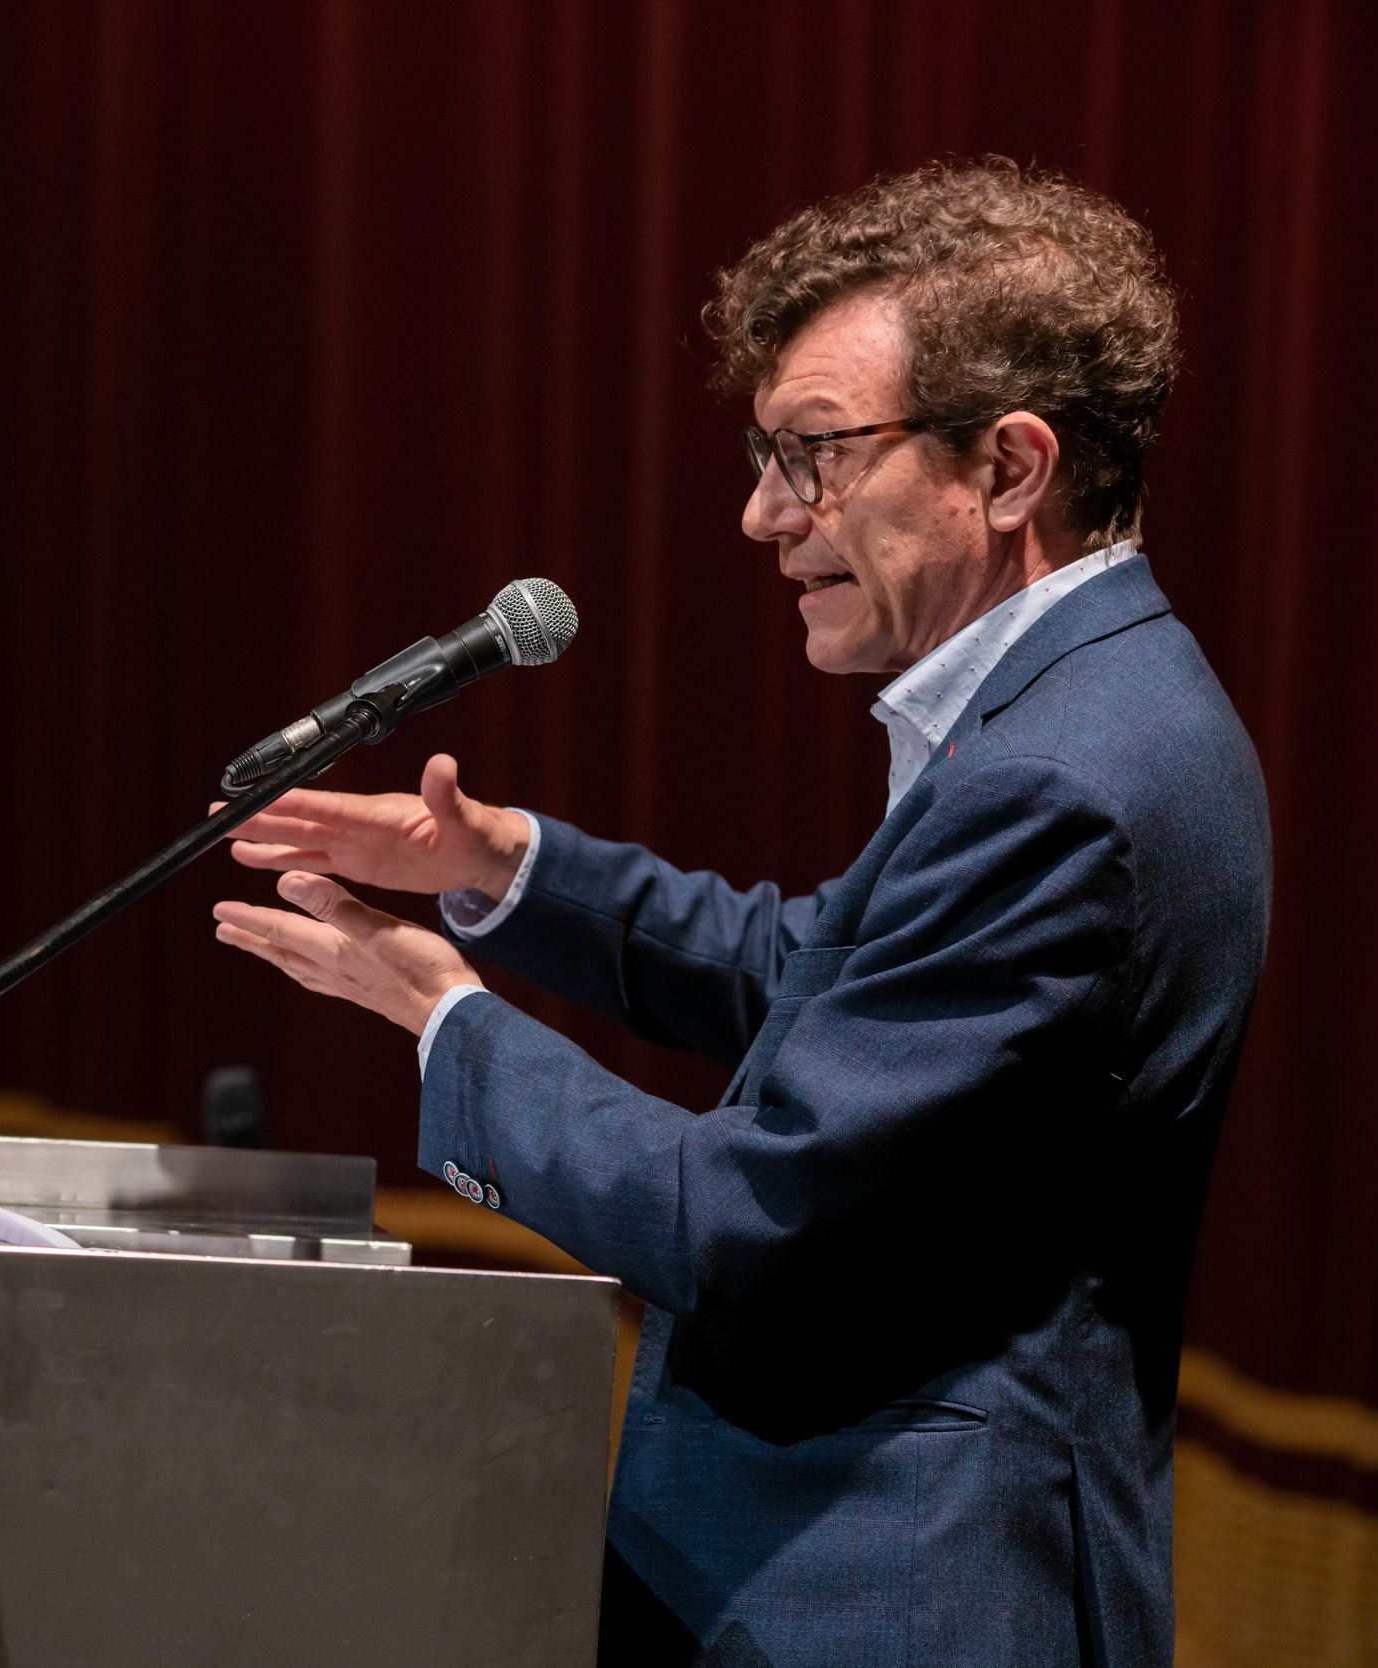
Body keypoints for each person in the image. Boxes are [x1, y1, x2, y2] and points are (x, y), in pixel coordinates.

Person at [212, 159, 1269, 1664]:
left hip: (896, 1588)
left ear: (1012, 466)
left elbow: (743, 1220)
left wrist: (438, 1015)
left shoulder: (1069, 778)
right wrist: (501, 864)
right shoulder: (1081, 709)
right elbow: (821, 975)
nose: (765, 514)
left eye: (816, 454)